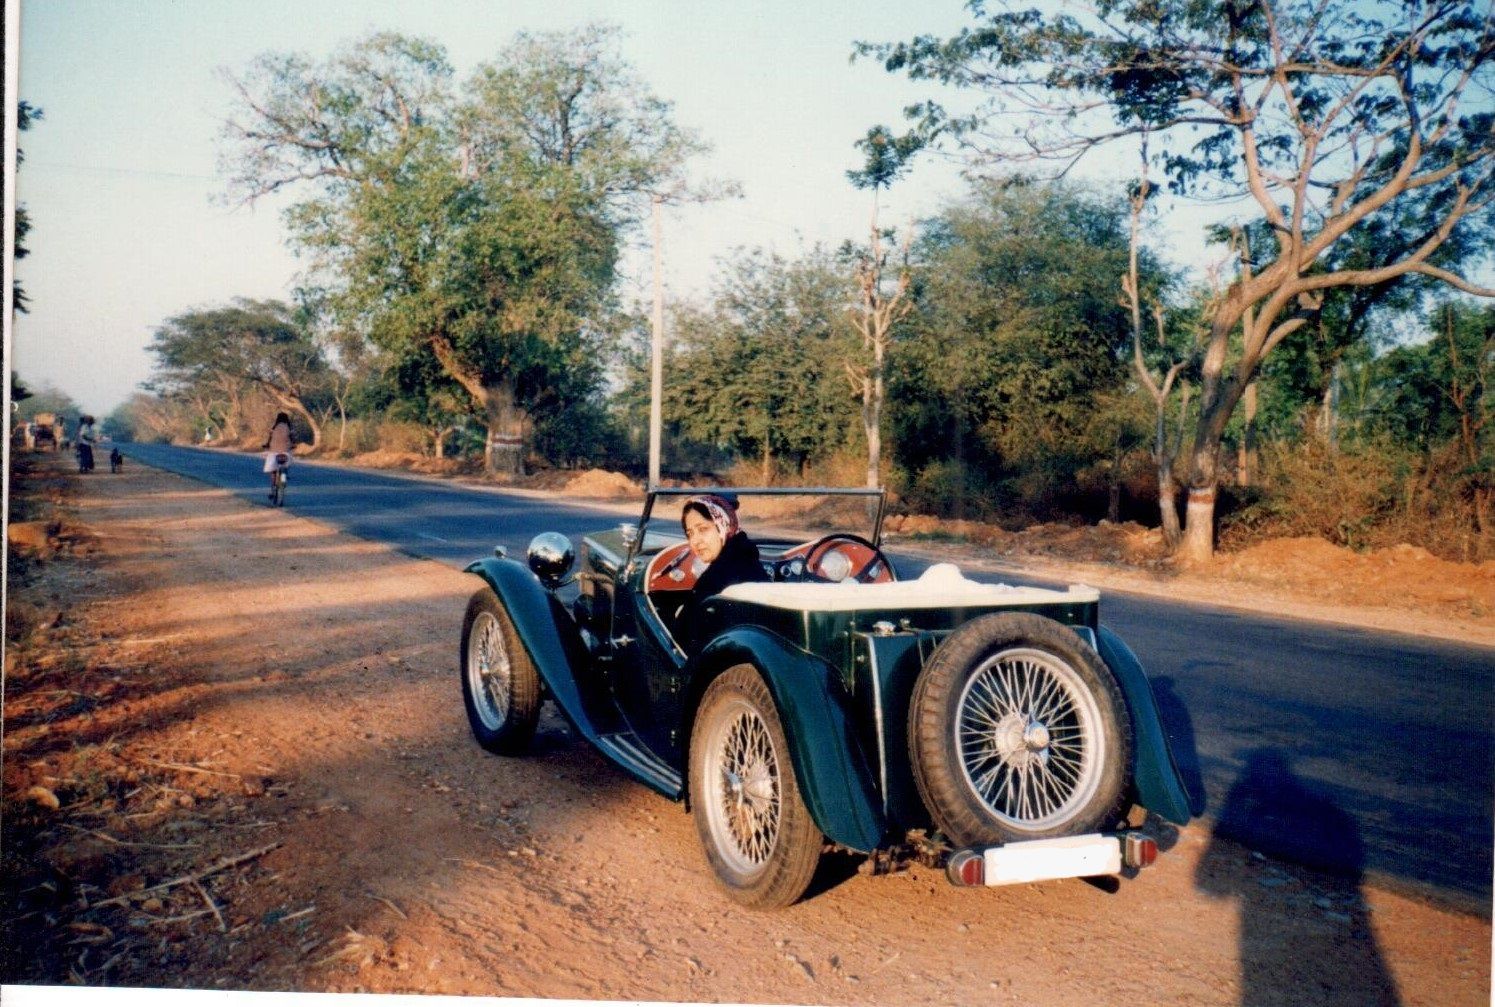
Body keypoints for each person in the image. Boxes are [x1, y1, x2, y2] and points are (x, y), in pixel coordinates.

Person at [679, 494, 769, 650]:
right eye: (690, 533)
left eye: (703, 529)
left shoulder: (720, 574)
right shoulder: (746, 558)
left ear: (723, 524)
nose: (695, 541)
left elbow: (684, 636)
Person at [262, 412, 295, 499]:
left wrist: (267, 445)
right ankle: (284, 479)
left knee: (273, 470)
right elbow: (292, 439)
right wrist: (293, 445)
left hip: (274, 451)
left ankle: (273, 487)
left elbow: (269, 439)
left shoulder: (273, 428)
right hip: (285, 450)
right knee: (285, 465)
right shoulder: (289, 427)